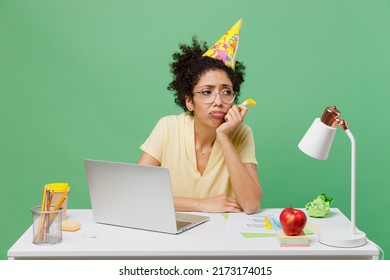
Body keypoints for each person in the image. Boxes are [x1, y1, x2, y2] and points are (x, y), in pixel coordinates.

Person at [138, 20, 262, 214]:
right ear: (189, 102)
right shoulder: (168, 127)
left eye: (227, 92)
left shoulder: (242, 133)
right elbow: (136, 192)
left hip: (221, 236)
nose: (218, 101)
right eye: (206, 92)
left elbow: (251, 204)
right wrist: (202, 204)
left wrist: (224, 137)